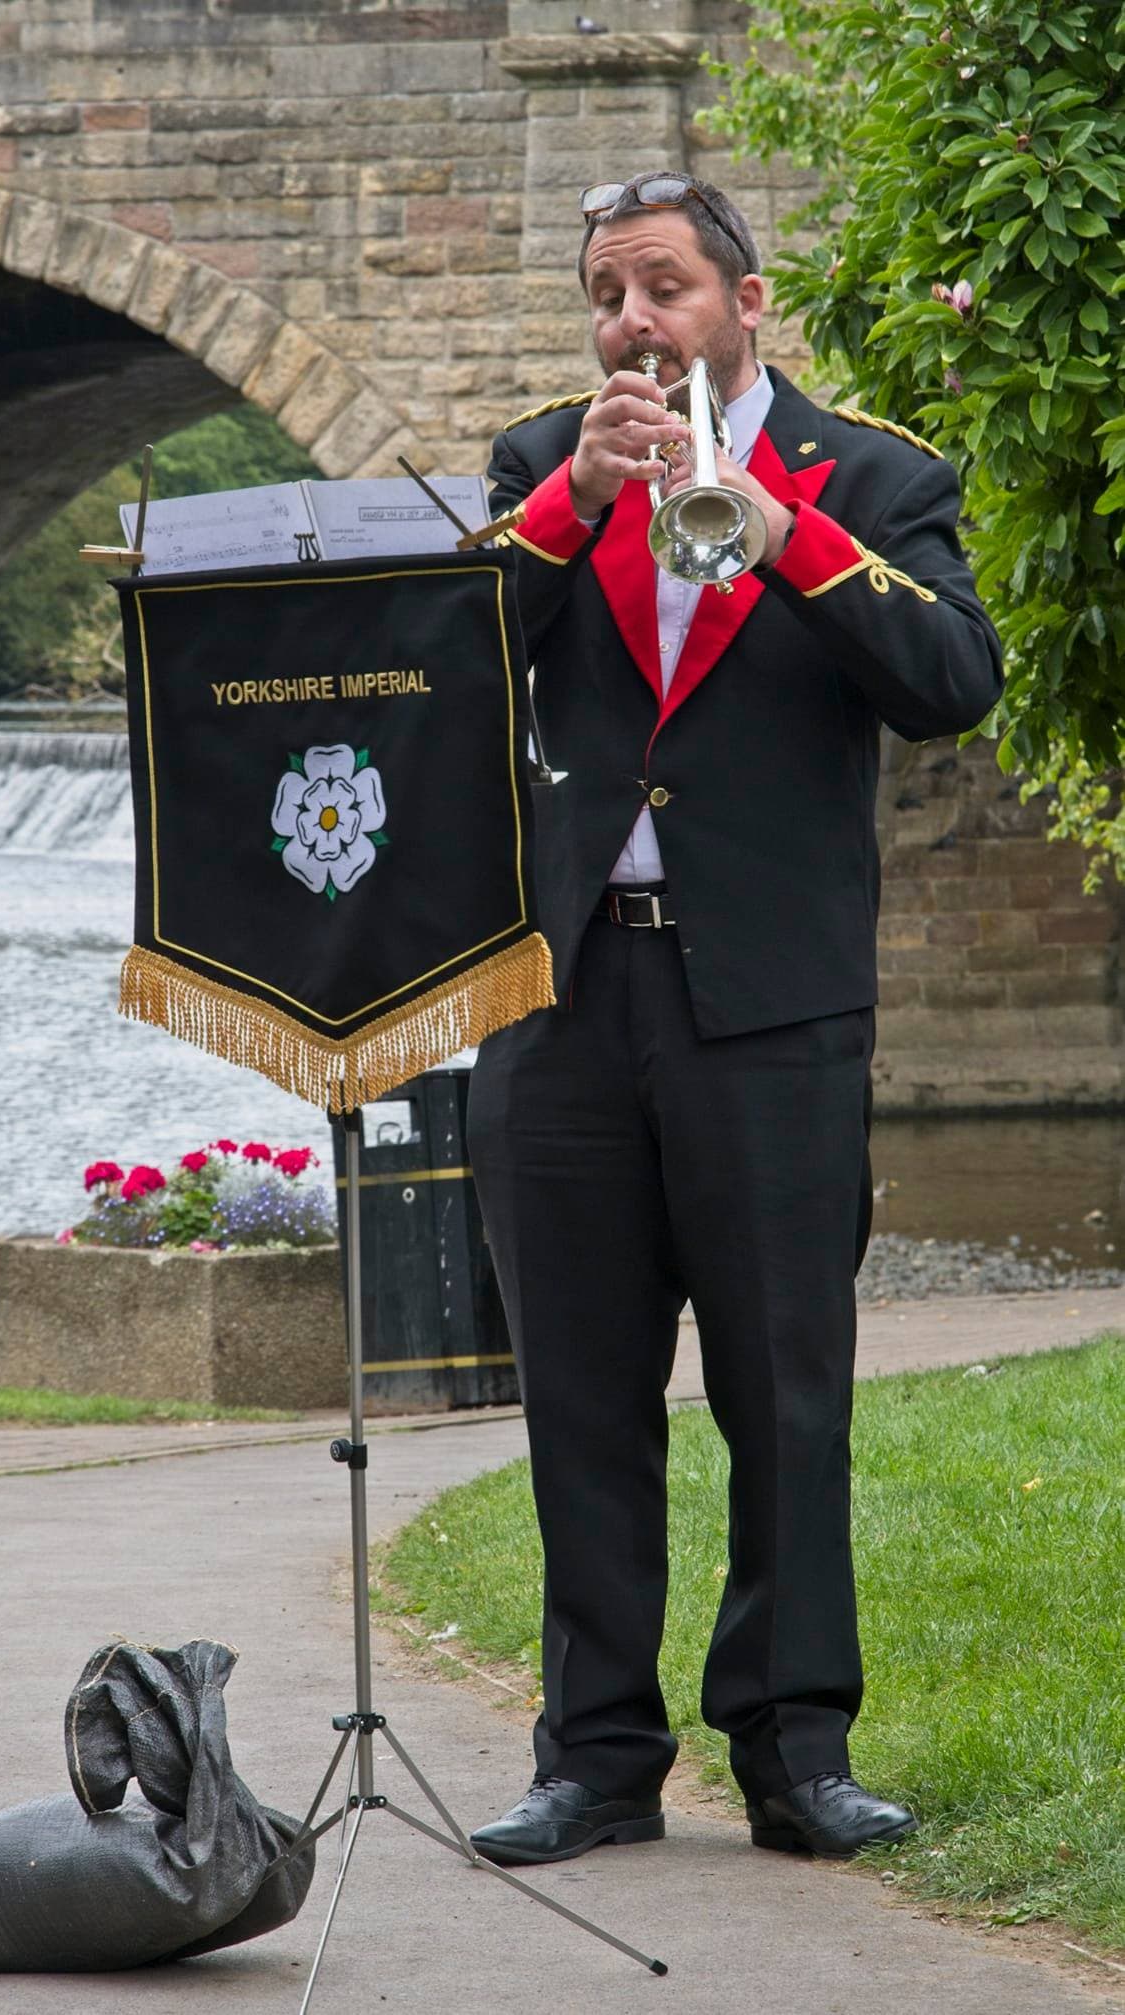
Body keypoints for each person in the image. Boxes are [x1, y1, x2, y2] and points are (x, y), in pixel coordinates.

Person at [465, 171, 1002, 1868]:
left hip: (768, 1005)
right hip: (563, 992)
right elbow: (437, 654)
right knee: (581, 1391)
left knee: (786, 1392)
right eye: (608, 295)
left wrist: (784, 535)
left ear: (745, 304)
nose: (634, 324)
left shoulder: (874, 474)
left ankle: (793, 1750)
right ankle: (597, 1758)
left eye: (667, 289)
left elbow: (952, 682)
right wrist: (570, 502)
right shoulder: (538, 462)